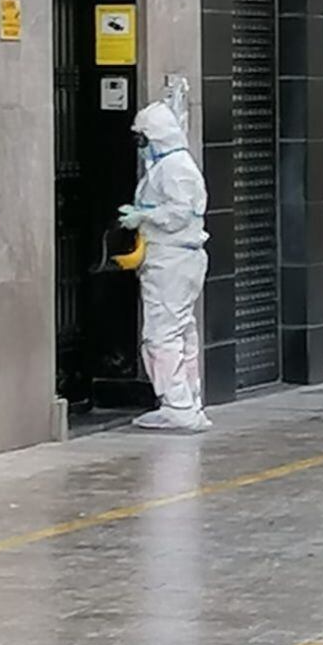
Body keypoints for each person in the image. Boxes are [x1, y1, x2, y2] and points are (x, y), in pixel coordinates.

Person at [118, 98, 211, 432]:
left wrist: (143, 216)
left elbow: (179, 213)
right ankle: (189, 400)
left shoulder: (175, 168)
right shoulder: (171, 166)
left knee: (162, 333)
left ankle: (178, 405)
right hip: (176, 258)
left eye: (142, 138)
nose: (140, 146)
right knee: (182, 329)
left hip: (172, 260)